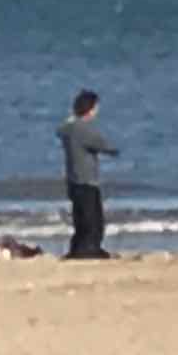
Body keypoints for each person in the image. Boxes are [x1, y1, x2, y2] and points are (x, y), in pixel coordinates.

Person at [56, 89, 120, 259]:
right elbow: (104, 145)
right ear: (90, 109)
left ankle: (79, 249)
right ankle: (89, 249)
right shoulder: (83, 129)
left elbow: (60, 130)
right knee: (93, 220)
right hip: (87, 180)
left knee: (80, 218)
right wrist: (114, 150)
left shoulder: (69, 128)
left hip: (73, 180)